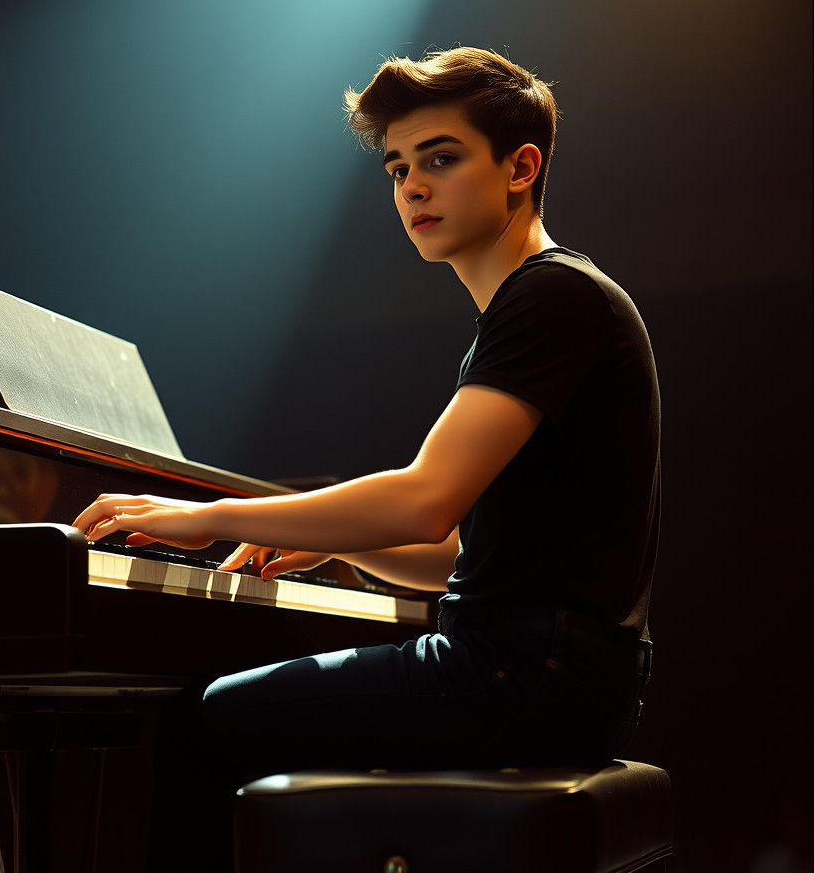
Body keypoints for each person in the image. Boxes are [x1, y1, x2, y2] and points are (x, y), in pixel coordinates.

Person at [72, 46, 660, 870]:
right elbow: (457, 554)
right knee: (236, 703)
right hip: (552, 678)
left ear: (520, 167)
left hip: (520, 678)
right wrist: (343, 545)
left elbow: (423, 500)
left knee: (205, 719)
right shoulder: (536, 307)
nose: (412, 187)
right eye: (398, 168)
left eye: (441, 159)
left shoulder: (551, 296)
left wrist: (211, 517)